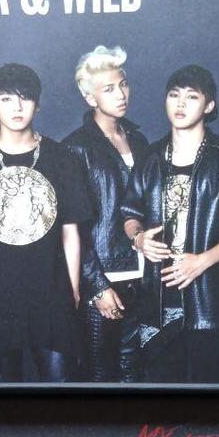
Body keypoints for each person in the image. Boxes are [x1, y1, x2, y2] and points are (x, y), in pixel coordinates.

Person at [122, 64, 219, 383]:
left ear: (209, 105)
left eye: (192, 97)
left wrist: (202, 261)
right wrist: (139, 238)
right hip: (157, 302)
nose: (181, 104)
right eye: (174, 95)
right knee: (162, 398)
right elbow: (129, 213)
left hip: (210, 304)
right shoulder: (150, 157)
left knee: (208, 396)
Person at [0, 63, 88, 382]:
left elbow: (70, 234)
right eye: (6, 99)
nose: (16, 107)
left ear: (37, 105)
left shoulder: (61, 158)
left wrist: (73, 294)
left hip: (50, 299)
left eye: (24, 98)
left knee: (60, 393)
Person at [62, 45, 149, 382]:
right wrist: (97, 286)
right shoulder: (76, 147)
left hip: (143, 273)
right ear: (90, 98)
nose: (121, 94)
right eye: (109, 89)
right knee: (100, 375)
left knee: (134, 372)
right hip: (103, 276)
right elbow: (72, 226)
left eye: (123, 84)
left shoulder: (139, 140)